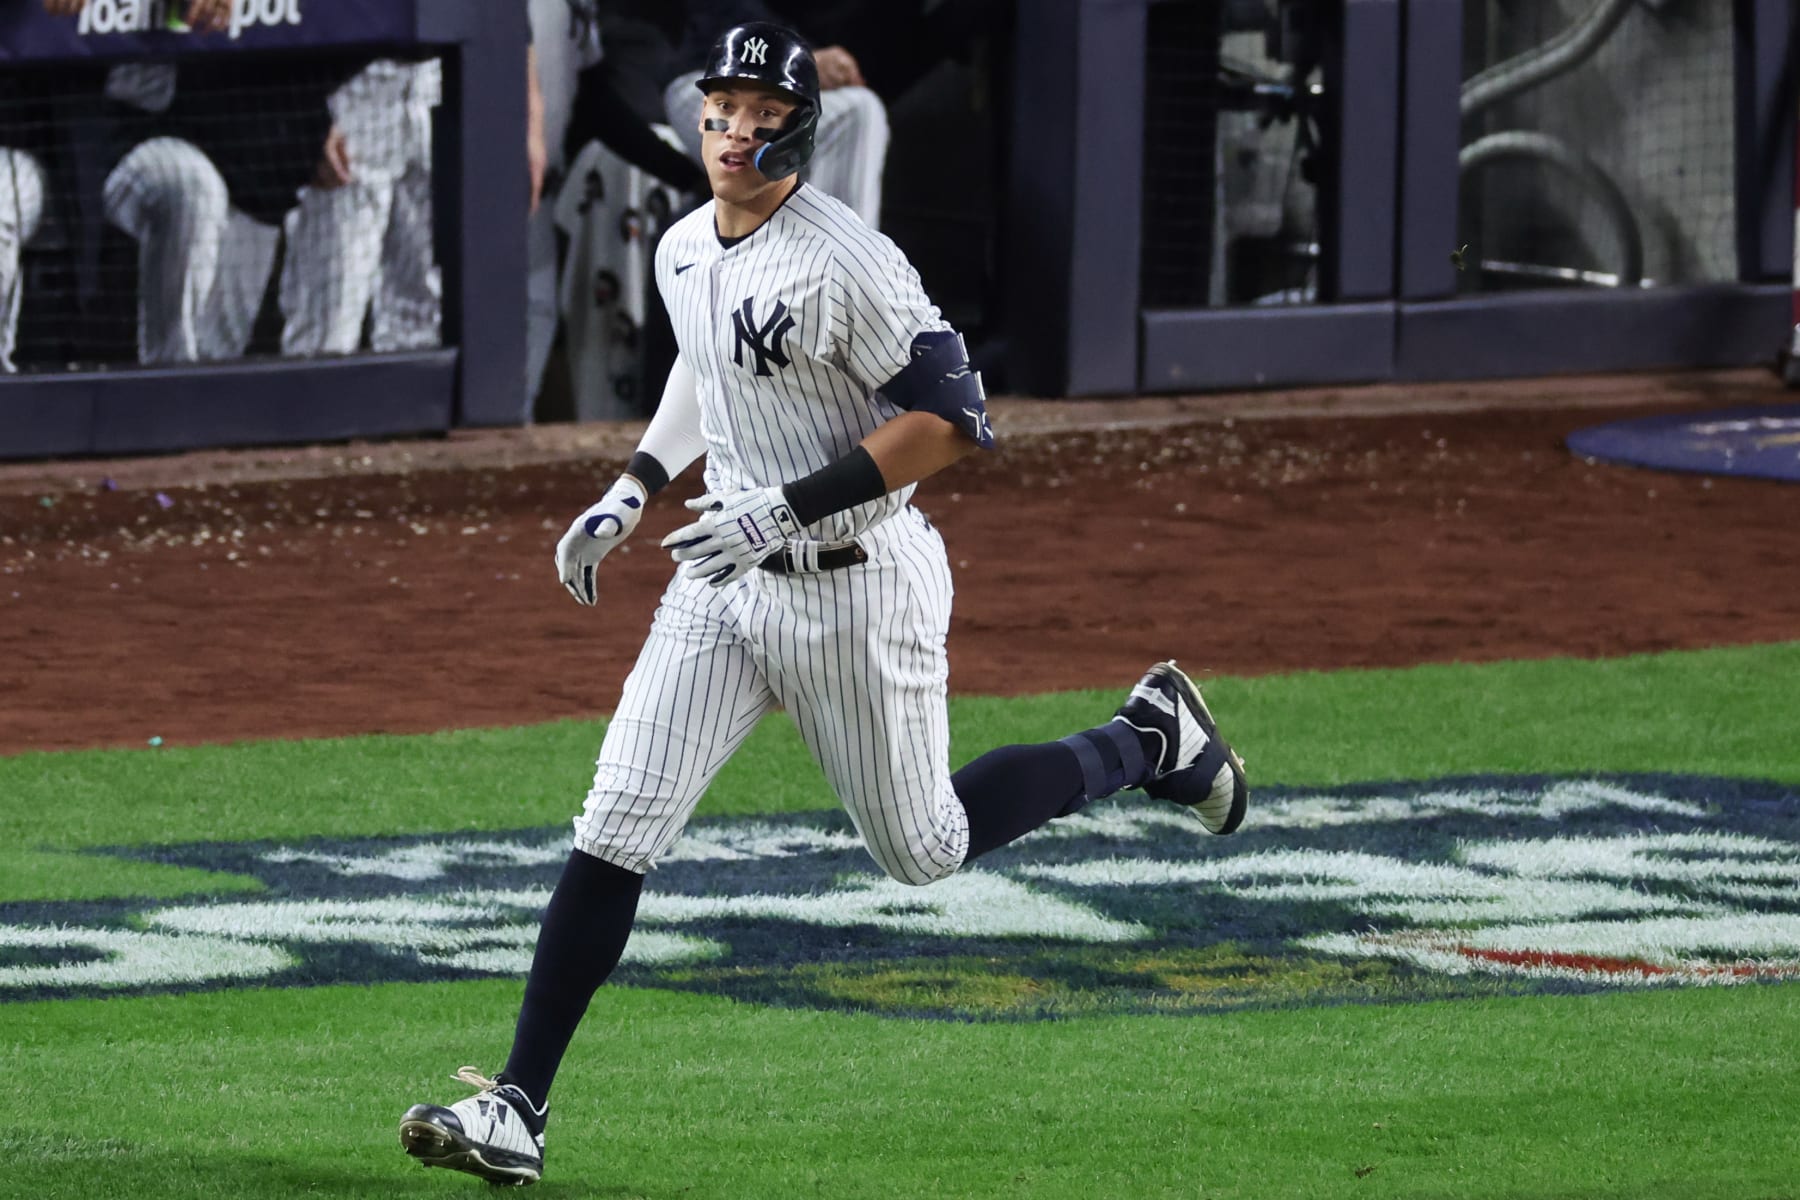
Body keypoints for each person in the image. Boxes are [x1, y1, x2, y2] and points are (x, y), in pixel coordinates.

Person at [396, 24, 1248, 1187]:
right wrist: (632, 489)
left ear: (799, 127)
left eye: (760, 113)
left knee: (926, 847)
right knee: (616, 823)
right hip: (724, 584)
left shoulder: (849, 258)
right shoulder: (688, 244)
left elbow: (953, 422)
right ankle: (516, 1108)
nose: (737, 130)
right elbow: (707, 362)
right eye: (723, 108)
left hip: (858, 587)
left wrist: (784, 509)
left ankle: (1147, 739)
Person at [660, 1, 888, 228]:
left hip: (804, 89)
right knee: (850, 115)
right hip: (711, 75)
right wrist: (793, 60)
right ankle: (840, 260)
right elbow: (721, 12)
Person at [277, 56, 443, 356]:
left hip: (436, 102)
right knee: (326, 332)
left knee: (422, 326)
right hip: (352, 119)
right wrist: (309, 117)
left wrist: (530, 111)